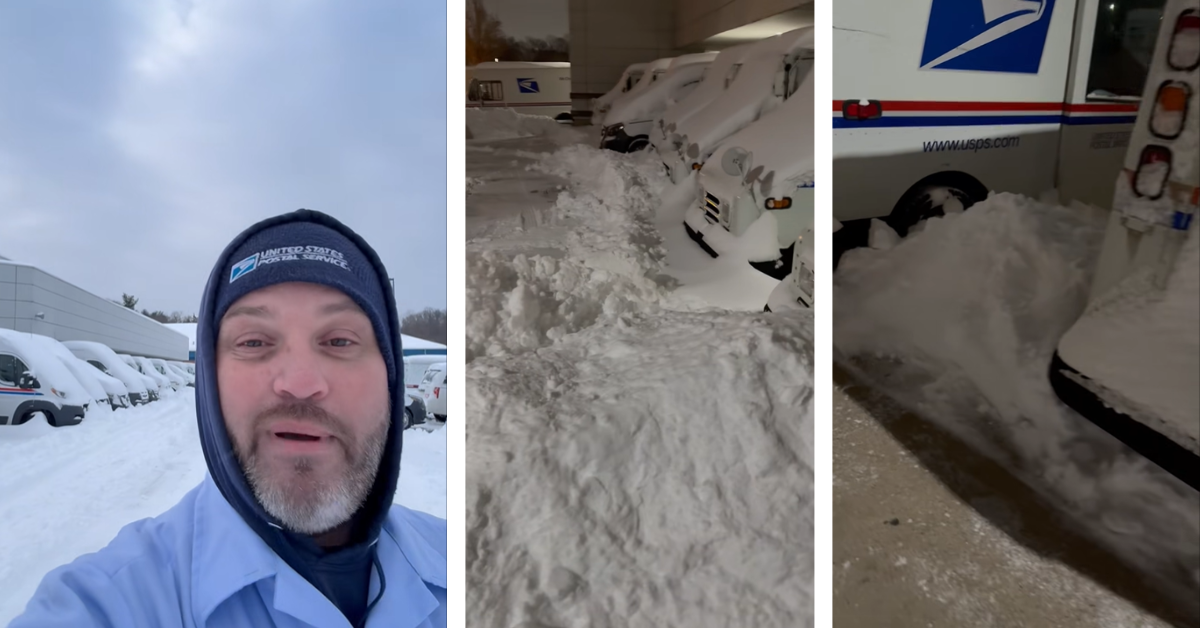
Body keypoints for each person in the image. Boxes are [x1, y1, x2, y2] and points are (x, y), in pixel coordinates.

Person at [10, 210, 446, 628]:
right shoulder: (113, 600)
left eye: (338, 340)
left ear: (390, 378)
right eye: (254, 342)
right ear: (209, 380)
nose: (299, 382)